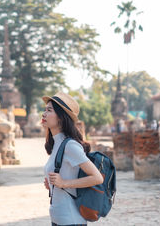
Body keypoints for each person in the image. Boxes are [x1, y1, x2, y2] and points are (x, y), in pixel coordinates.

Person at [42, 92, 104, 226]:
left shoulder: (70, 145)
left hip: (71, 219)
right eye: (44, 109)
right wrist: (52, 186)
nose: (44, 114)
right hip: (58, 217)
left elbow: (97, 178)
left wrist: (63, 183)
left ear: (60, 117)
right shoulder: (56, 144)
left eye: (49, 110)